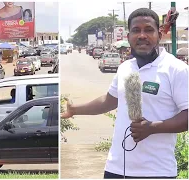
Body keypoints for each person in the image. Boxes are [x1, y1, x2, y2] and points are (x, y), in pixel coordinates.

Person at [62, 8, 188, 179]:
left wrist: (152, 128)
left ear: (159, 34)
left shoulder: (176, 70)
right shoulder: (125, 68)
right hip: (116, 169)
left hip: (157, 172)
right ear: (128, 37)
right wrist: (75, 109)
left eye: (148, 30)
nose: (142, 35)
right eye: (136, 30)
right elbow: (109, 100)